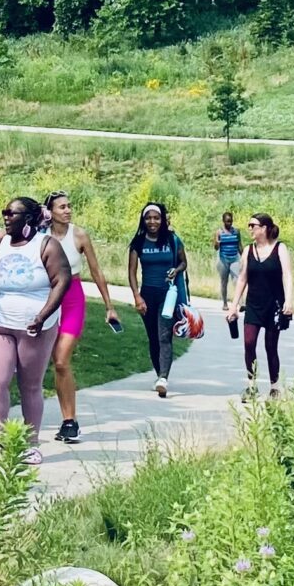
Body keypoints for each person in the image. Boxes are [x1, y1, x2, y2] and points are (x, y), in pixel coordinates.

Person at [0, 195, 69, 460]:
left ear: (28, 218)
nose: (5, 217)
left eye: (11, 213)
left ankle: (31, 444)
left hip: (34, 327)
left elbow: (62, 281)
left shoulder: (46, 246)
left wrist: (42, 315)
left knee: (30, 385)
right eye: (4, 212)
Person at [40, 189, 117, 445]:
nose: (68, 210)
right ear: (49, 212)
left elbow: (96, 271)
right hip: (47, 297)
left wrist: (109, 306)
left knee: (61, 361)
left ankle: (70, 421)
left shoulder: (79, 234)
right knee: (40, 363)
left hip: (73, 297)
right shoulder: (40, 235)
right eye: (62, 207)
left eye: (69, 206)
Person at [125, 200, 191, 399]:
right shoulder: (138, 243)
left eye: (156, 218)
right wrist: (137, 297)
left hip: (168, 294)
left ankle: (163, 378)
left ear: (162, 220)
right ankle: (159, 374)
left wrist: (176, 270)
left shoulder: (172, 240)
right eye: (148, 218)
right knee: (153, 337)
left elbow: (183, 262)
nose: (152, 221)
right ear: (143, 220)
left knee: (164, 335)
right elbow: (131, 272)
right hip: (147, 294)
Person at [230, 212, 294, 398]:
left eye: (254, 225)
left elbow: (288, 275)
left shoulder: (280, 248)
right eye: (249, 225)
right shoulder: (248, 251)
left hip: (274, 305)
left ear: (265, 228)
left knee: (270, 346)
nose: (250, 229)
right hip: (253, 305)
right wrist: (234, 306)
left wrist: (289, 300)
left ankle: (274, 387)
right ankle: (252, 386)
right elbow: (242, 279)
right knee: (249, 343)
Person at [215, 211, 243, 307]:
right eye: (227, 221)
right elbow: (216, 248)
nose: (229, 223)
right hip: (223, 259)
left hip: (235, 258)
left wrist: (243, 257)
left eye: (230, 221)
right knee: (224, 281)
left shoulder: (236, 231)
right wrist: (217, 242)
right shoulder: (219, 232)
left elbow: (239, 245)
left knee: (237, 280)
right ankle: (225, 303)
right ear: (223, 221)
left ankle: (240, 303)